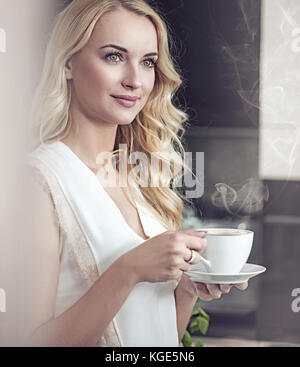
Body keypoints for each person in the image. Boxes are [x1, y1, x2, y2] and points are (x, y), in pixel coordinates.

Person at [21, 0, 248, 347]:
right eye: (114, 56)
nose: (135, 80)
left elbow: (158, 341)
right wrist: (129, 270)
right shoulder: (39, 181)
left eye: (147, 63)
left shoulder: (141, 178)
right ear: (68, 63)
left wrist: (187, 291)